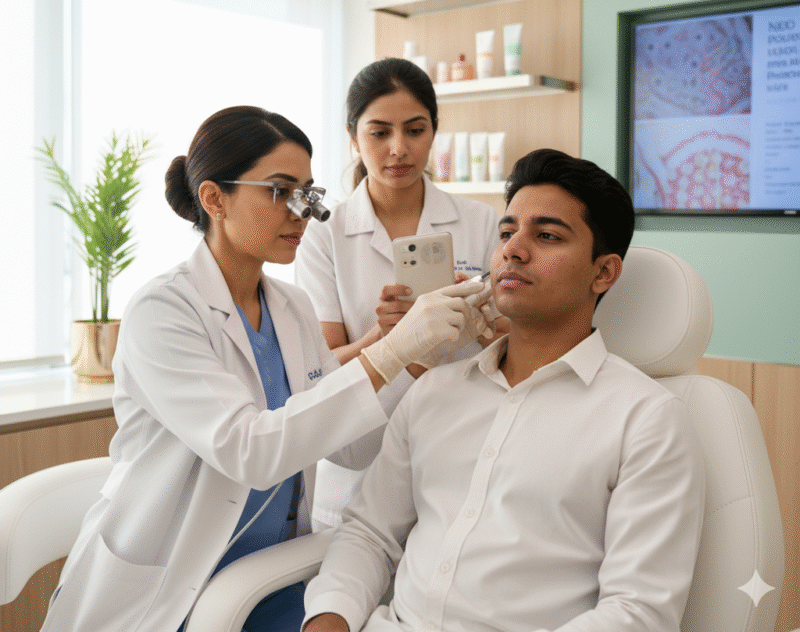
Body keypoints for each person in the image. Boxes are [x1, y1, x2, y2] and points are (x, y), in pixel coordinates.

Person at [40, 106, 492, 632]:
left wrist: (420, 357)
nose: (301, 212)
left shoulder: (291, 307)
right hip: (168, 588)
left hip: (268, 579)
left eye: (307, 193)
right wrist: (390, 350)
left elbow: (350, 448)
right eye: (280, 191)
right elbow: (248, 452)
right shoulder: (162, 311)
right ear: (214, 198)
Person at [302, 148, 706, 632]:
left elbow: (637, 611)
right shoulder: (434, 391)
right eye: (508, 232)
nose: (514, 249)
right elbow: (369, 534)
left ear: (604, 272)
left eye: (548, 235)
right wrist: (327, 620)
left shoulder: (645, 419)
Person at [295, 57, 504, 531]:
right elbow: (323, 367)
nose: (398, 149)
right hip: (361, 462)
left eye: (415, 130)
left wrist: (482, 319)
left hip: (463, 453)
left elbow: (508, 341)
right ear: (353, 136)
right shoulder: (323, 237)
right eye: (379, 132)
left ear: (434, 130)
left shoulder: (481, 223)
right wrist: (386, 336)